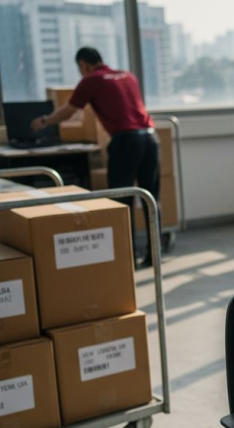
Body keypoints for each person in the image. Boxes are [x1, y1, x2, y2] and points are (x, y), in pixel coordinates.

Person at [30, 47, 159, 267]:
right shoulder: (128, 76)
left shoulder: (91, 80)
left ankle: (129, 258)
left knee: (122, 200)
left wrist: (44, 121)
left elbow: (69, 111)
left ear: (83, 65)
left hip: (126, 142)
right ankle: (154, 255)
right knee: (150, 199)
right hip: (150, 138)